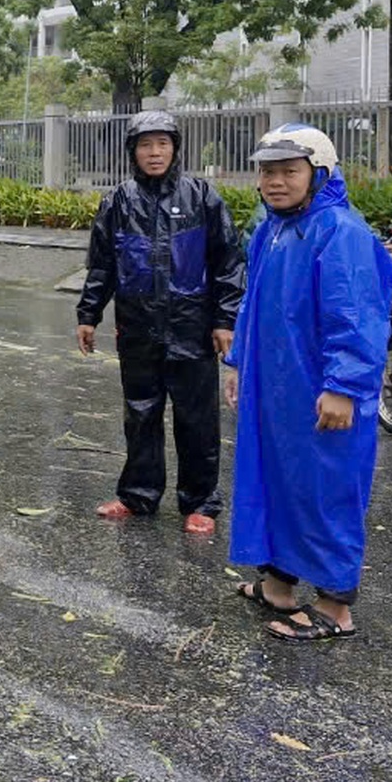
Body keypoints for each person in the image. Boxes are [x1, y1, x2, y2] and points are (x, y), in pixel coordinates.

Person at [225, 124, 392, 644]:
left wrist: (345, 385)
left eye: (289, 172)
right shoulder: (271, 230)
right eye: (268, 172)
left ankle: (334, 606)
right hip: (276, 389)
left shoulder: (338, 232)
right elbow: (253, 305)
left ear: (319, 173)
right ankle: (278, 584)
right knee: (277, 480)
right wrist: (237, 361)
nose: (276, 182)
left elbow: (357, 315)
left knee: (325, 489)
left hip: (324, 391)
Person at [76, 110, 245, 535]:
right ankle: (138, 494)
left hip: (191, 325)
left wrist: (225, 319)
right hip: (138, 327)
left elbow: (227, 262)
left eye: (163, 144)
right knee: (140, 413)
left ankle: (201, 501)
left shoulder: (202, 197)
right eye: (146, 145)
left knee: (197, 419)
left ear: (175, 148)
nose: (155, 153)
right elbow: (102, 265)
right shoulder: (117, 201)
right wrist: (88, 315)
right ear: (133, 151)